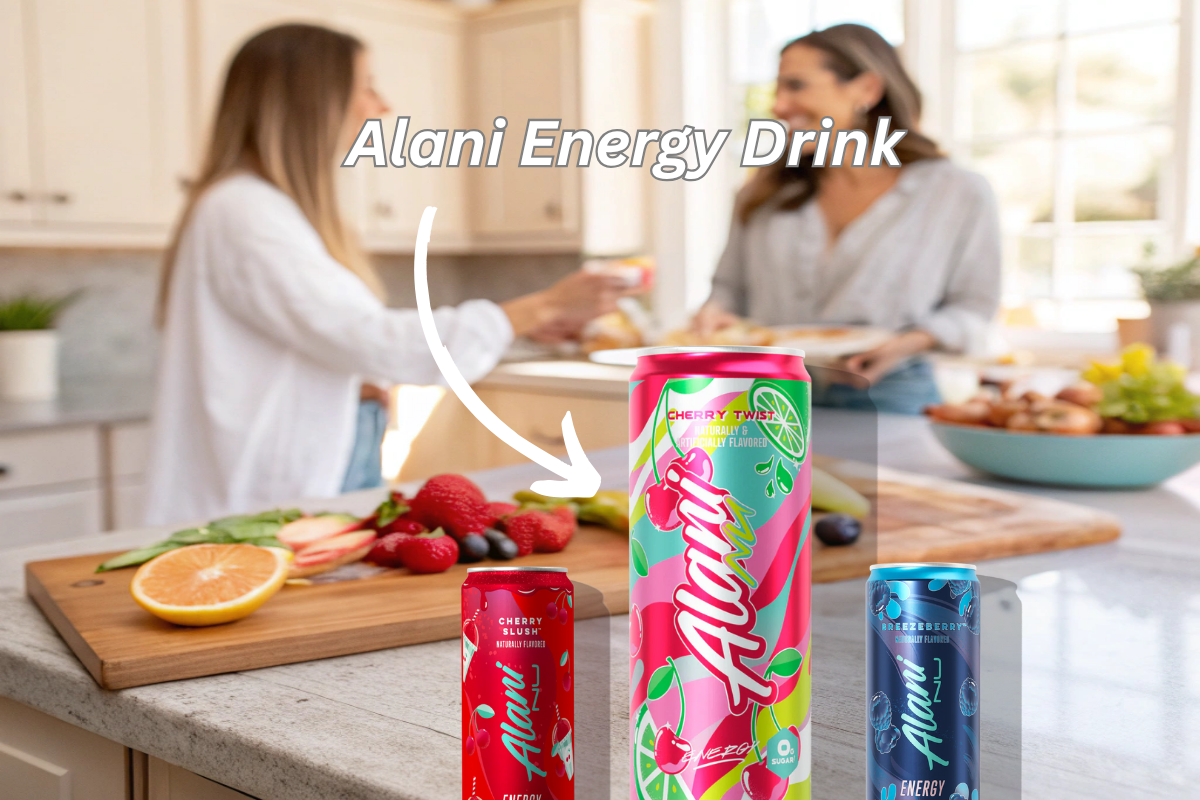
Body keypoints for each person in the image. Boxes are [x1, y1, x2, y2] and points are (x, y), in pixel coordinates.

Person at [144, 24, 630, 524]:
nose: (381, 105)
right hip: (260, 500)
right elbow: (375, 341)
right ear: (315, 100)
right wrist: (539, 307)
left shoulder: (262, 209)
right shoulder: (245, 211)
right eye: (366, 86)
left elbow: (329, 340)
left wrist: (365, 380)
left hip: (310, 475)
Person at [693, 24, 1001, 414]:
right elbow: (728, 290)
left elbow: (974, 308)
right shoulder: (765, 190)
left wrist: (908, 343)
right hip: (764, 399)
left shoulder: (957, 192)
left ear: (867, 90)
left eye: (796, 85)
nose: (778, 106)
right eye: (778, 88)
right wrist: (716, 314)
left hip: (891, 397)